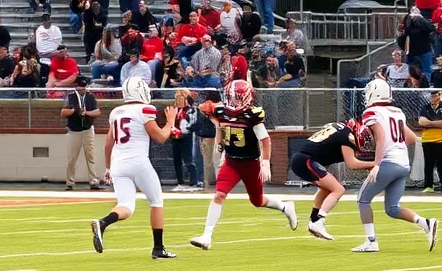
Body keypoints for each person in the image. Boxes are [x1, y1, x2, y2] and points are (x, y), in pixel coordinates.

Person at [189, 79, 298, 250]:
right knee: (219, 195)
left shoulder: (252, 116)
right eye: (233, 98)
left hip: (251, 163)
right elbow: (220, 127)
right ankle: (207, 236)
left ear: (247, 98)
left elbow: (265, 140)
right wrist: (219, 146)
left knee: (257, 201)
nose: (234, 102)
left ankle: (285, 207)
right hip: (232, 161)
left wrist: (266, 162)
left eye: (238, 98)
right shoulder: (221, 111)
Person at [92, 77, 177, 259]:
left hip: (118, 164)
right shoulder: (145, 109)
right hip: (138, 161)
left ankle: (103, 222)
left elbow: (108, 144)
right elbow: (161, 137)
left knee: (126, 206)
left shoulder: (116, 112)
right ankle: (158, 248)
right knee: (156, 202)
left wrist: (107, 168)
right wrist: (170, 122)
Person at [351, 78, 439, 252]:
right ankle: (426, 223)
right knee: (392, 209)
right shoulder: (397, 111)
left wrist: (376, 163)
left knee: (363, 199)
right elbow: (412, 138)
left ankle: (371, 241)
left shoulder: (371, 112)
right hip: (403, 163)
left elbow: (382, 138)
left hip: (388, 162)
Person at [291, 119, 376, 241]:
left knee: (327, 189)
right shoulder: (346, 136)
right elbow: (352, 163)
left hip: (302, 159)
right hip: (306, 161)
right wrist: (376, 164)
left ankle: (315, 219)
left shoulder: (340, 128)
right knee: (338, 189)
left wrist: (370, 164)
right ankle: (318, 221)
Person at [61, 76, 102, 190]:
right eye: (80, 86)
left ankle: (93, 180)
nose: (82, 89)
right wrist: (75, 110)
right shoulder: (70, 97)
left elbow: (97, 112)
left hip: (88, 129)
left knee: (90, 155)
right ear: (76, 86)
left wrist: (86, 113)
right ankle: (70, 181)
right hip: (74, 131)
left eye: (83, 87)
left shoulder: (90, 97)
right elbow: (63, 112)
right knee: (72, 158)